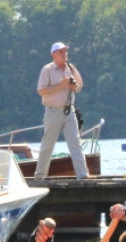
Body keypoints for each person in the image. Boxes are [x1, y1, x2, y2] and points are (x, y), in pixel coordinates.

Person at [35, 42, 88, 180]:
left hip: (69, 111)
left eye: (65, 51)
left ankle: (83, 175)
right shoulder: (47, 70)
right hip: (53, 111)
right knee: (48, 144)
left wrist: (73, 86)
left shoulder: (71, 68)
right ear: (53, 55)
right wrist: (61, 85)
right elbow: (41, 91)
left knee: (75, 143)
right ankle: (40, 176)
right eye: (61, 52)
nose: (64, 54)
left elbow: (79, 87)